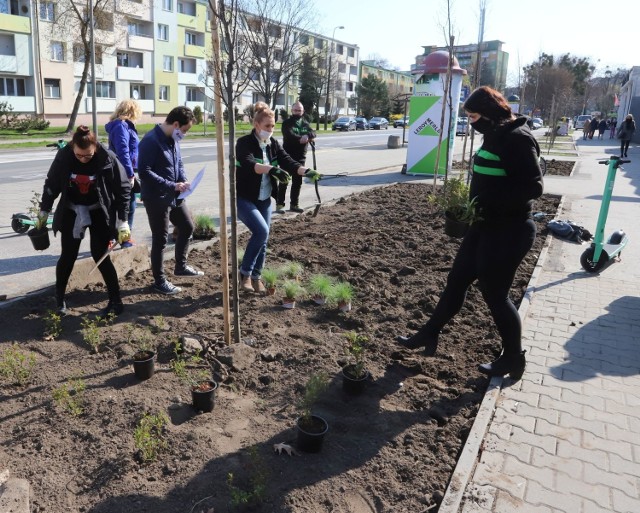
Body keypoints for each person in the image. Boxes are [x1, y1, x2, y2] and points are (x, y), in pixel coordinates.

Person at [397, 86, 544, 380]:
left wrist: (488, 202)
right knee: (457, 280)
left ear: (489, 113)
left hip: (509, 230)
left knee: (495, 293)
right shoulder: (493, 135)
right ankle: (429, 333)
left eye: (474, 116)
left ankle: (513, 358)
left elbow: (533, 187)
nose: (472, 122)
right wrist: (467, 206)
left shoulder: (517, 139)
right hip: (484, 225)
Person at [38, 126, 131, 317]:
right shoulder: (64, 157)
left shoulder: (107, 157)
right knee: (68, 256)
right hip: (71, 211)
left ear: (95, 147)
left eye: (87, 156)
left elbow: (123, 189)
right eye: (79, 155)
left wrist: (123, 221)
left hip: (99, 212)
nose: (83, 159)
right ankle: (60, 300)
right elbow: (52, 184)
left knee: (101, 256)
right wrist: (44, 210)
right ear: (73, 147)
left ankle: (116, 300)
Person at [235, 102, 321, 293]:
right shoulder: (244, 143)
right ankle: (245, 274)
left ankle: (256, 277)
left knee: (263, 239)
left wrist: (306, 171)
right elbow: (250, 164)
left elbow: (288, 162)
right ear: (256, 124)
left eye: (273, 126)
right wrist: (272, 169)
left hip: (264, 198)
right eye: (267, 126)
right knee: (261, 232)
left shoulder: (273, 144)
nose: (271, 130)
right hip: (244, 198)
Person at [138, 106, 203, 295]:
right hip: (156, 197)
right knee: (160, 239)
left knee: (187, 226)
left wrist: (183, 180)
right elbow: (144, 172)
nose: (184, 134)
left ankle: (180, 266)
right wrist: (171, 185)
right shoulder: (151, 141)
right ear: (175, 124)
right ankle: (159, 281)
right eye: (184, 130)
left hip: (174, 194)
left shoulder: (173, 139)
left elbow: (178, 162)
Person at [105, 99, 142, 247]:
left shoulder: (122, 126)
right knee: (127, 205)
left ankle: (119, 237)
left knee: (124, 204)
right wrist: (130, 173)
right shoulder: (121, 126)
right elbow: (123, 151)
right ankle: (121, 238)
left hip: (122, 169)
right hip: (122, 171)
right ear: (132, 111)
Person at [276, 101, 316, 213]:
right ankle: (280, 204)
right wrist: (301, 139)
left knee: (297, 182)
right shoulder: (287, 123)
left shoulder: (305, 123)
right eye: (296, 110)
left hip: (300, 157)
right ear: (292, 110)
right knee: (284, 180)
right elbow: (288, 135)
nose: (298, 112)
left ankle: (294, 204)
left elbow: (313, 132)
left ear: (303, 111)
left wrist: (308, 135)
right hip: (287, 156)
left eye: (300, 110)